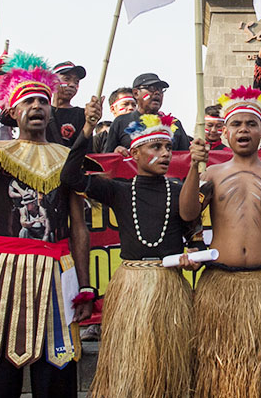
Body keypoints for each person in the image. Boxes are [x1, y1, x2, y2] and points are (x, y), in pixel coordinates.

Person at [0, 52, 93, 398]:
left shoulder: (68, 161)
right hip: (7, 273)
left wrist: (85, 285)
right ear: (13, 112)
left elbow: (79, 227)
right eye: (27, 100)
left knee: (57, 372)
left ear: (51, 111)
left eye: (42, 101)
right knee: (2, 372)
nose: (36, 106)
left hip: (59, 272)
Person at [61, 96, 200, 397]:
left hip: (170, 289)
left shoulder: (179, 191)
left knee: (168, 369)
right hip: (131, 287)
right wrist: (87, 128)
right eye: (156, 147)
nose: (165, 154)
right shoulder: (118, 191)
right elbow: (70, 177)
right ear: (135, 153)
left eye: (167, 147)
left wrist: (194, 254)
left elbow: (195, 231)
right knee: (131, 371)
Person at [179, 87, 261, 398]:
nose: (243, 130)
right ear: (224, 133)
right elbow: (187, 212)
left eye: (251, 124)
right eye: (236, 124)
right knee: (221, 375)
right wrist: (194, 167)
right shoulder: (213, 175)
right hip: (221, 287)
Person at [104, 73, 191, 152]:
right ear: (136, 93)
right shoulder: (121, 122)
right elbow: (107, 159)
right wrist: (116, 152)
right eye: (151, 88)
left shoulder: (174, 124)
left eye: (160, 90)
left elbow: (185, 159)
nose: (157, 93)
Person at [50, 61, 86, 147]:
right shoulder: (40, 111)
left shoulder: (82, 114)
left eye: (76, 82)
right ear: (52, 81)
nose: (72, 85)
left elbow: (84, 151)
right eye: (66, 79)